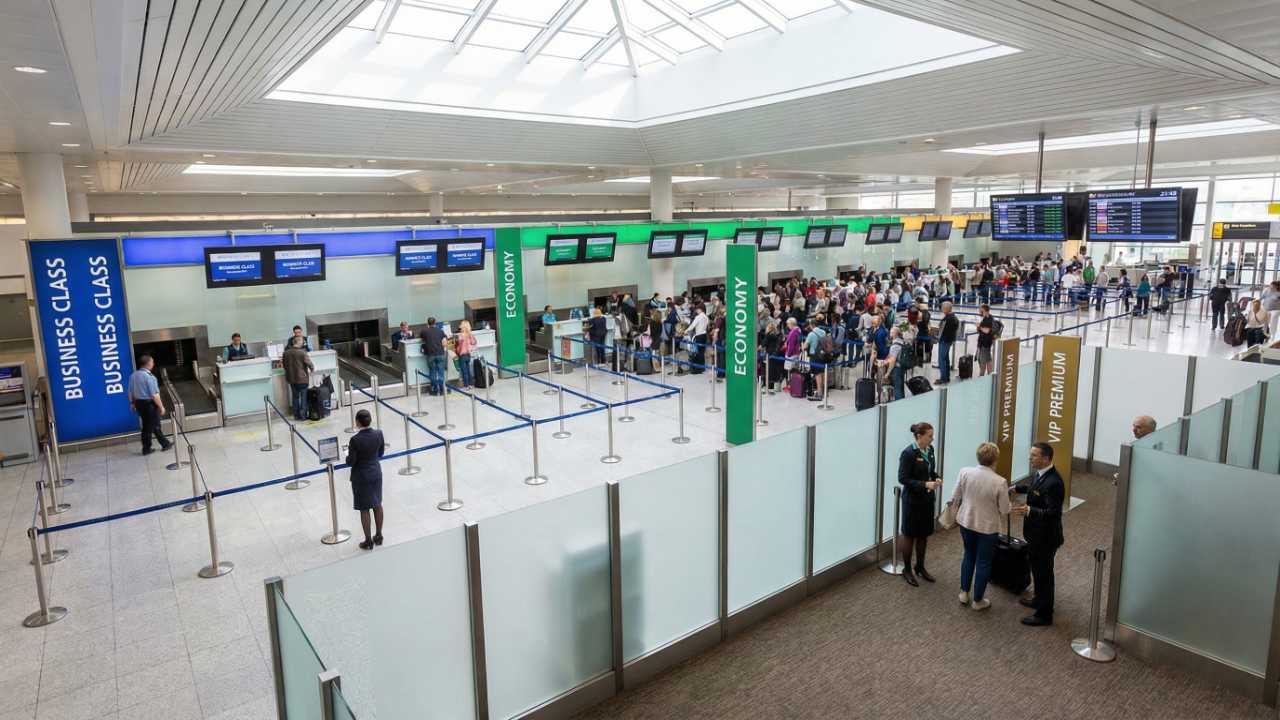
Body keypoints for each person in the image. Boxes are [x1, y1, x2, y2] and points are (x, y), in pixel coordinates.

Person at [1011, 442, 1065, 627]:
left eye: (1034, 455)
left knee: (1044, 575)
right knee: (1036, 569)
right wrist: (1018, 489)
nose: (1030, 458)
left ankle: (1044, 614)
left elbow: (1054, 513)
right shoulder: (1041, 474)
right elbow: (1036, 489)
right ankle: (1038, 599)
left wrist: (1030, 510)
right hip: (1035, 535)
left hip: (1046, 538)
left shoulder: (1054, 483)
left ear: (1046, 458)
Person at [954, 442, 1011, 610]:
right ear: (995, 459)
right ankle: (978, 601)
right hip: (987, 528)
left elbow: (956, 495)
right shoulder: (1000, 482)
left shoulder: (965, 472)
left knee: (968, 555)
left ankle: (964, 593)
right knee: (983, 562)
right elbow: (1004, 509)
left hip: (966, 521)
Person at [897, 422, 941, 586]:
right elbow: (903, 478)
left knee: (923, 534)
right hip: (912, 502)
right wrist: (925, 484)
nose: (932, 438)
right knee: (910, 535)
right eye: (930, 436)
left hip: (927, 500)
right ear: (919, 436)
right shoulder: (908, 453)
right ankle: (907, 570)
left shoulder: (930, 450)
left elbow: (930, 471)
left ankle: (920, 567)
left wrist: (936, 477)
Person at [345, 409, 386, 550]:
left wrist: (347, 457)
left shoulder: (355, 440)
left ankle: (368, 541)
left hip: (361, 477)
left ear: (357, 422)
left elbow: (351, 461)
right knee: (377, 504)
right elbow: (380, 453)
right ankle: (379, 535)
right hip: (376, 473)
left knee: (364, 508)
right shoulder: (379, 433)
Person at [128, 355, 170, 455]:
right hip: (149, 404)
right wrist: (161, 407)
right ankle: (146, 448)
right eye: (152, 362)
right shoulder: (150, 377)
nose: (153, 364)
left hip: (139, 404)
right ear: (148, 364)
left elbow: (130, 392)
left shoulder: (133, 376)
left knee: (152, 424)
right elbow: (154, 395)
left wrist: (132, 403)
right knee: (148, 426)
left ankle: (165, 443)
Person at [283, 336, 314, 420]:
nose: (303, 343)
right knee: (303, 397)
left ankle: (296, 415)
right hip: (302, 379)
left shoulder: (286, 353)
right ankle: (303, 416)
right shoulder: (302, 352)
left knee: (295, 397)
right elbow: (309, 363)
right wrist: (312, 369)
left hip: (291, 379)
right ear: (299, 342)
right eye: (302, 341)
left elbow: (284, 365)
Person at [422, 317, 447, 395]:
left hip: (430, 355)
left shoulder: (424, 331)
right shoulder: (440, 331)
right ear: (435, 323)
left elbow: (422, 339)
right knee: (441, 372)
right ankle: (442, 389)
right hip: (440, 353)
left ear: (427, 323)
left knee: (432, 371)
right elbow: (444, 342)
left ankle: (434, 389)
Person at [936, 301, 959, 384]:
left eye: (942, 308)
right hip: (948, 340)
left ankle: (943, 378)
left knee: (941, 359)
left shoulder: (947, 319)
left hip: (944, 341)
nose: (941, 309)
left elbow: (942, 330)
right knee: (946, 359)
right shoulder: (954, 318)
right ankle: (947, 377)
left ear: (946, 309)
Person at [684, 305, 709, 374]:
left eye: (697, 309)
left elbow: (692, 325)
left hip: (699, 335)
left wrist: (686, 331)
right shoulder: (706, 317)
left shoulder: (698, 317)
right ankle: (702, 368)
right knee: (702, 352)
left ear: (700, 309)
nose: (696, 311)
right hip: (704, 335)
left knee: (697, 352)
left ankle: (697, 369)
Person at [455, 320, 477, 387]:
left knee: (464, 371)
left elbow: (459, 346)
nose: (460, 326)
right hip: (468, 354)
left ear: (463, 326)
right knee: (468, 370)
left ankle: (466, 385)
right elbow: (474, 342)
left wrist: (457, 349)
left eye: (461, 324)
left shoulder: (461, 335)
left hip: (462, 355)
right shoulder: (470, 335)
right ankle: (470, 384)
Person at [976, 304, 995, 376]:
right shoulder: (988, 317)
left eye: (981, 311)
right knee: (988, 359)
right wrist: (979, 327)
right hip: (986, 342)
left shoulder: (988, 319)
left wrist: (979, 327)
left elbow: (987, 331)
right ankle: (990, 375)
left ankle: (981, 376)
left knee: (982, 360)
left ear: (986, 311)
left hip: (985, 342)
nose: (980, 312)